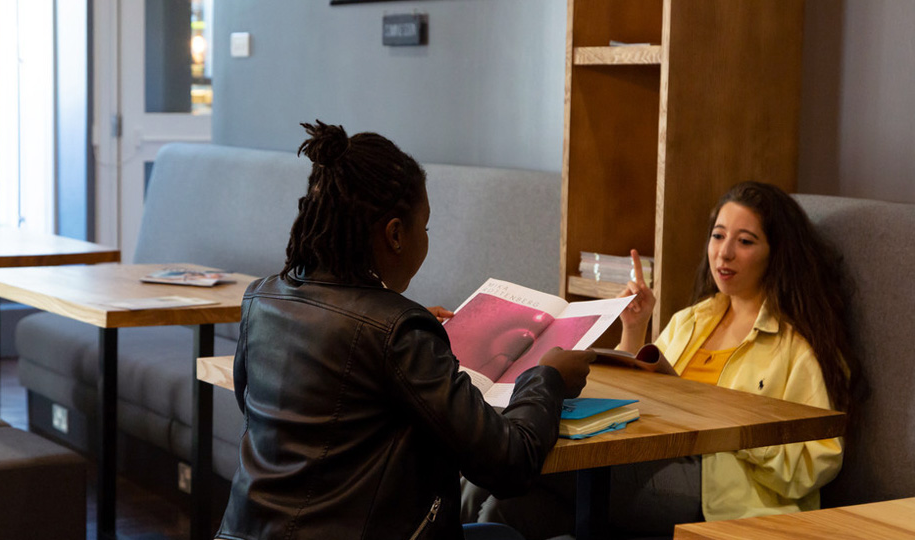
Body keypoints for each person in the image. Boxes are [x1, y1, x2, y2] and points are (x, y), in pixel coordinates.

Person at [215, 120, 594, 540]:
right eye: (425, 227)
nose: (425, 238)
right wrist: (548, 378)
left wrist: (405, 338)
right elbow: (509, 464)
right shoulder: (396, 331)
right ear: (396, 234)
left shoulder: (262, 299)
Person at [461, 181, 856, 539]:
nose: (725, 252)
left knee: (508, 458)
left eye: (746, 241)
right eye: (718, 236)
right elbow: (643, 402)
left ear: (776, 254)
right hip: (653, 457)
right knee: (503, 505)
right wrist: (634, 330)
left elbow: (815, 464)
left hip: (721, 489)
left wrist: (730, 426)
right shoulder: (692, 320)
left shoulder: (795, 347)